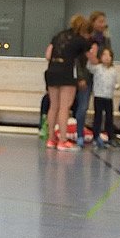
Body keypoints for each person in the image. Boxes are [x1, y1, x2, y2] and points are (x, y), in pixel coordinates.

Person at [43, 15, 97, 150]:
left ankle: (51, 139)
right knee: (64, 107)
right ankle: (62, 140)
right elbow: (93, 59)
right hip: (66, 72)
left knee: (53, 106)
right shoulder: (80, 40)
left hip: (52, 71)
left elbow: (48, 55)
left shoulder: (59, 35)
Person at [90, 46, 120, 146]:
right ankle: (96, 136)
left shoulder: (113, 70)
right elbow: (89, 66)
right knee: (98, 116)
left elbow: (114, 81)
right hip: (98, 96)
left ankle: (110, 136)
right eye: (104, 55)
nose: (107, 57)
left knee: (109, 117)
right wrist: (92, 55)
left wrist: (116, 86)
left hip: (108, 97)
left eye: (109, 55)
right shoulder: (97, 68)